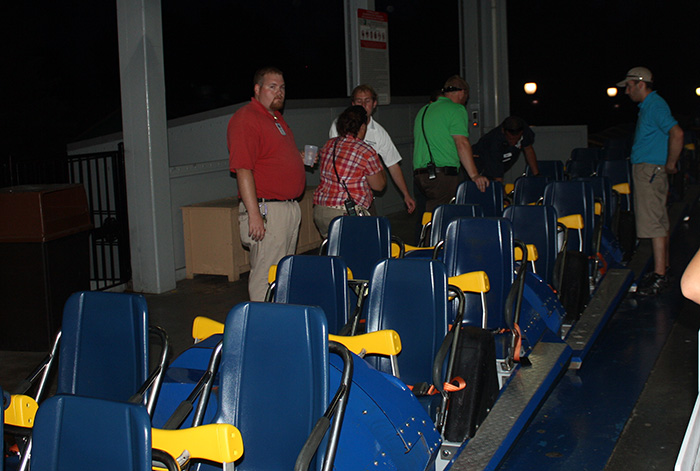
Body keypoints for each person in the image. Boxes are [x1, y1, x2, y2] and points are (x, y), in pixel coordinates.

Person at [227, 67, 306, 302]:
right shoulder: (246, 118)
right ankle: (263, 329)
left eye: (282, 88)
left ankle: (279, 322)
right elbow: (243, 169)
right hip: (267, 210)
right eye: (272, 87)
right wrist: (254, 215)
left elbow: (271, 158)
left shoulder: (275, 119)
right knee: (266, 277)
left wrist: (296, 159)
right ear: (257, 89)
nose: (279, 92)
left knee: (283, 274)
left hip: (288, 208)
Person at [617, 66, 684, 296]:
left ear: (640, 84)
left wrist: (671, 163)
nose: (627, 91)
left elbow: (677, 133)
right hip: (651, 170)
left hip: (649, 172)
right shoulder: (650, 106)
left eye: (628, 86)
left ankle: (660, 276)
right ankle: (661, 269)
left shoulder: (655, 105)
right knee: (659, 221)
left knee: (653, 224)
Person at [329, 84, 416, 214]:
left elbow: (393, 164)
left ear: (374, 103)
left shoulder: (379, 133)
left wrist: (406, 195)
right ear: (353, 103)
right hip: (340, 196)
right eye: (359, 101)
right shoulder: (339, 125)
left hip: (365, 196)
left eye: (367, 100)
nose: (363, 104)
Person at [413, 75, 489, 213]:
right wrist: (474, 175)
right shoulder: (456, 109)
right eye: (466, 96)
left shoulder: (424, 110)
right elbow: (461, 143)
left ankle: (427, 233)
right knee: (444, 216)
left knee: (430, 214)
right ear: (461, 93)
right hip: (442, 175)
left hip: (420, 176)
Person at [314, 105, 386, 237]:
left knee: (335, 249)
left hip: (321, 211)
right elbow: (379, 185)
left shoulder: (329, 144)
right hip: (345, 213)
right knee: (358, 251)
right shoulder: (365, 151)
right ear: (362, 127)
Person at [472, 116, 539, 181]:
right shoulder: (494, 142)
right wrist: (502, 191)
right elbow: (497, 176)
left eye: (517, 139)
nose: (513, 142)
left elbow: (528, 149)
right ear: (503, 131)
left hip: (500, 163)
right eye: (510, 139)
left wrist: (536, 176)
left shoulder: (525, 131)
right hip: (479, 164)